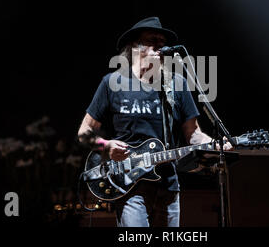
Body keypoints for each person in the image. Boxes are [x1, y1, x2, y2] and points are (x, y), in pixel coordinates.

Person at [78, 16, 232, 227]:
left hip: (168, 185)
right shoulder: (113, 82)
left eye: (162, 42)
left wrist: (216, 144)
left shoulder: (176, 84)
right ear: (134, 45)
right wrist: (106, 146)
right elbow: (84, 132)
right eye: (153, 40)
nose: (160, 46)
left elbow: (193, 134)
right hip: (129, 185)